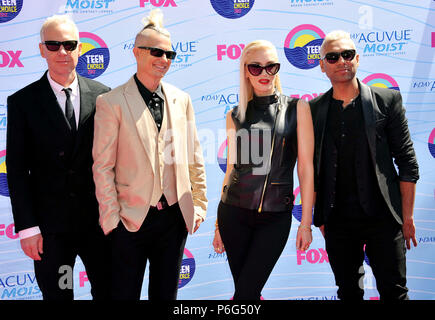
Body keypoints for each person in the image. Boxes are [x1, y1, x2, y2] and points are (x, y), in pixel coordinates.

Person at [92, 9, 207, 300]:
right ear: (136, 53)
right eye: (156, 52)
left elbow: (193, 156)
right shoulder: (111, 102)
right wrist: (111, 219)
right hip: (129, 221)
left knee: (166, 296)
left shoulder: (182, 99)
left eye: (170, 54)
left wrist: (199, 205)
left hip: (174, 219)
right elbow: (102, 166)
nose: (164, 60)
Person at [6, 14, 111, 300]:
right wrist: (27, 227)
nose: (62, 52)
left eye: (69, 44)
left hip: (99, 226)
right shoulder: (22, 102)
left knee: (110, 293)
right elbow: (16, 170)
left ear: (79, 48)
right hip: (51, 233)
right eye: (53, 45)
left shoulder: (105, 97)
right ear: (41, 50)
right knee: (59, 295)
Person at [309, 30, 419, 300]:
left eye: (347, 54)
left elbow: (406, 161)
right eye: (333, 57)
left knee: (395, 292)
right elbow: (310, 169)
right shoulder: (313, 111)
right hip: (338, 222)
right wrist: (319, 217)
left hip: (384, 217)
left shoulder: (387, 101)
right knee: (348, 293)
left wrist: (406, 217)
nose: (341, 61)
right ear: (322, 66)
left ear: (357, 58)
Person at [212, 40, 314, 300]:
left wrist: (305, 224)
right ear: (246, 71)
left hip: (275, 217)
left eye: (271, 67)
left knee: (246, 293)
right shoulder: (235, 115)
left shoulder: (297, 108)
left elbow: (305, 168)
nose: (265, 73)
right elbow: (232, 169)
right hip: (233, 214)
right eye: (256, 68)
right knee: (247, 294)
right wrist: (217, 226)